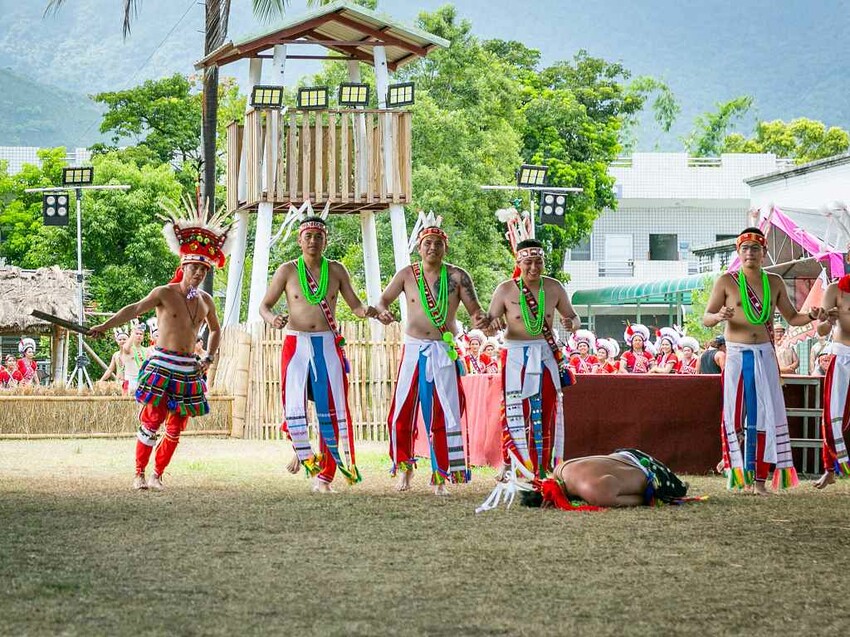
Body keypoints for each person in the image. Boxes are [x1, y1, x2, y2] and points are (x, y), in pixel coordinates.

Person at [90, 196, 232, 491]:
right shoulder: (164, 293)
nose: (199, 274)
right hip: (162, 363)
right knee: (152, 420)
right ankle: (139, 473)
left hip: (189, 368)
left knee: (177, 426)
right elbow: (133, 309)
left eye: (203, 271)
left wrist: (208, 358)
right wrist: (105, 325)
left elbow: (216, 331)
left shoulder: (206, 301)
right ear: (184, 265)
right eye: (194, 268)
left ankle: (157, 474)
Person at [259, 214, 375, 493]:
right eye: (308, 236)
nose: (313, 241)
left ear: (326, 240)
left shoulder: (336, 271)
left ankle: (324, 477)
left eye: (318, 236)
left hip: (327, 344)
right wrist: (272, 319)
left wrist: (372, 312)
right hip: (295, 343)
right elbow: (264, 306)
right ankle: (303, 452)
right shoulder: (287, 270)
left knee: (331, 410)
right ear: (299, 240)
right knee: (294, 406)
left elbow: (356, 306)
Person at [703, 227, 822, 494]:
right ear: (738, 252)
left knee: (768, 415)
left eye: (755, 249)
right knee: (736, 415)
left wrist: (813, 315)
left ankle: (760, 481)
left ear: (764, 253)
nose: (750, 253)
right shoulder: (727, 281)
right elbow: (706, 317)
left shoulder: (775, 282)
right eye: (745, 248)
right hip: (737, 353)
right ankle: (738, 475)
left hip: (765, 353)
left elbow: (792, 318)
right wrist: (720, 315)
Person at [377, 212, 488, 495]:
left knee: (442, 414)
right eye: (427, 243)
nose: (432, 248)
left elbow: (475, 312)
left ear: (445, 247)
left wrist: (484, 320)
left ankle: (441, 473)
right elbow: (382, 302)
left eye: (438, 243)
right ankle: (404, 467)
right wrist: (383, 313)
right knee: (401, 413)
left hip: (442, 349)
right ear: (419, 246)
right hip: (413, 349)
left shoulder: (458, 276)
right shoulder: (406, 274)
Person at [485, 238, 579, 481]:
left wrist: (572, 324)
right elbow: (488, 325)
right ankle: (510, 463)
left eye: (539, 262)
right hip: (515, 353)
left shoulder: (554, 287)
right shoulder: (505, 289)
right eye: (528, 263)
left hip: (545, 353)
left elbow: (574, 317)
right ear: (519, 262)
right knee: (514, 409)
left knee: (547, 408)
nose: (534, 268)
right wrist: (493, 324)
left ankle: (542, 466)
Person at [519, 449, 692, 509]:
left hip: (656, 476)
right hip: (630, 453)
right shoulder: (560, 468)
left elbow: (645, 499)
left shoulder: (595, 494)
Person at [814, 276, 850, 489]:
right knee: (831, 416)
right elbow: (821, 331)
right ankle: (830, 470)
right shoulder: (836, 289)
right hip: (842, 356)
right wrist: (829, 320)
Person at [121, 322, 147, 395]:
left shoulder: (146, 350)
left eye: (140, 334)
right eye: (137, 334)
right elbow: (126, 348)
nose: (138, 336)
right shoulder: (128, 348)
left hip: (141, 381)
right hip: (130, 381)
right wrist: (133, 331)